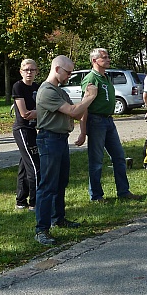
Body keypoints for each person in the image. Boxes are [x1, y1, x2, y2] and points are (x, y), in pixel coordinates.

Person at [33, 55, 98, 246]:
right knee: (47, 186)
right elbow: (73, 111)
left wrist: (84, 103)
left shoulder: (59, 91)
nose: (69, 76)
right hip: (49, 139)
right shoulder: (46, 91)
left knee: (61, 182)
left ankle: (58, 218)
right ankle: (41, 230)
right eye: (68, 72)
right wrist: (90, 97)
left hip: (60, 140)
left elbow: (77, 111)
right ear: (57, 69)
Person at [77, 48, 138, 201]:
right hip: (96, 121)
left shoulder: (105, 77)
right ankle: (96, 195)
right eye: (104, 57)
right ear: (94, 60)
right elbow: (84, 105)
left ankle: (123, 192)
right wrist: (83, 131)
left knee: (119, 157)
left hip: (108, 120)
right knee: (96, 160)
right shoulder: (91, 78)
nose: (108, 59)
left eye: (108, 57)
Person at [12, 59, 40, 211]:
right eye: (26, 70)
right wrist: (40, 113)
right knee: (35, 166)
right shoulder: (18, 87)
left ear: (36, 71)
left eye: (32, 70)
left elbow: (42, 107)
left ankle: (21, 201)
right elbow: (25, 114)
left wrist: (38, 113)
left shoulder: (37, 87)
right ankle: (35, 203)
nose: (29, 72)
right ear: (21, 71)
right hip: (22, 130)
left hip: (33, 129)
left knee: (24, 165)